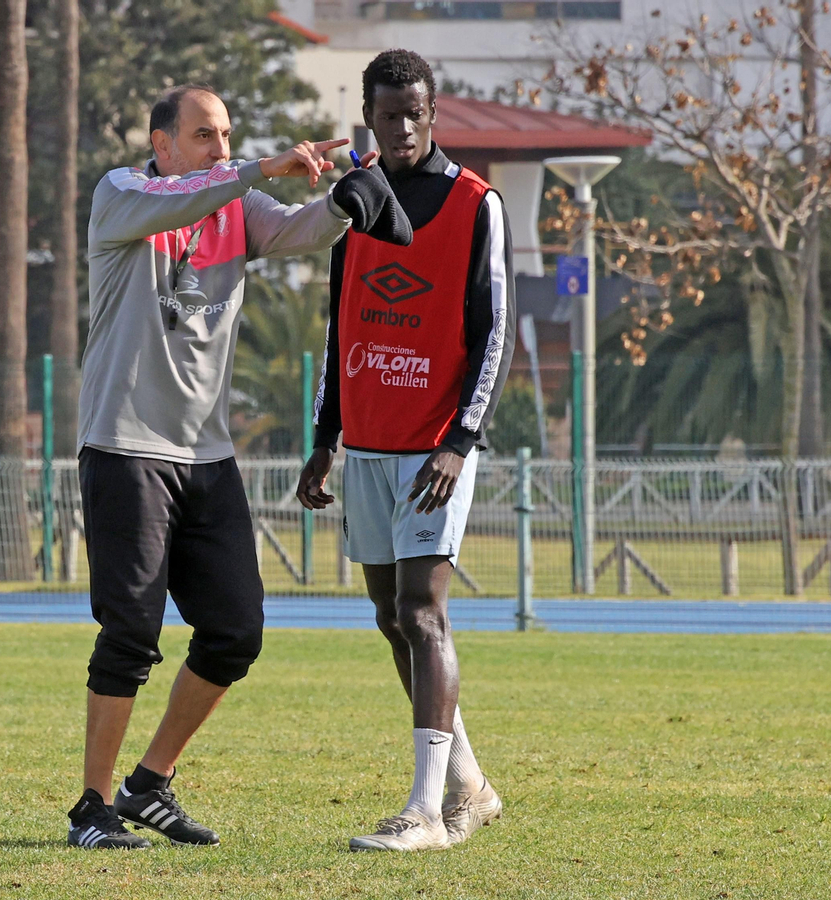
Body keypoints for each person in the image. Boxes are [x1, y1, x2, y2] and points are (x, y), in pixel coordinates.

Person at [69, 84, 410, 850]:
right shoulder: (122, 193)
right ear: (161, 144)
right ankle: (89, 806)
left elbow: (299, 232)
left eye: (226, 134)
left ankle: (146, 786)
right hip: (125, 447)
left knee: (235, 631)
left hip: (207, 456)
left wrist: (351, 200)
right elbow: (201, 192)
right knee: (131, 630)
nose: (219, 148)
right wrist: (259, 165)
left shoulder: (235, 204)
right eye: (203, 135)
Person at [296, 49, 515, 852]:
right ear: (370, 115)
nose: (400, 128)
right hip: (369, 447)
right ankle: (468, 784)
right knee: (391, 616)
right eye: (386, 115)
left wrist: (461, 441)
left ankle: (425, 813)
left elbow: (496, 333)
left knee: (424, 613)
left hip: (433, 451)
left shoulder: (475, 204)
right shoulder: (352, 210)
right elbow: (339, 327)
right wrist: (325, 438)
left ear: (434, 111)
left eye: (413, 114)